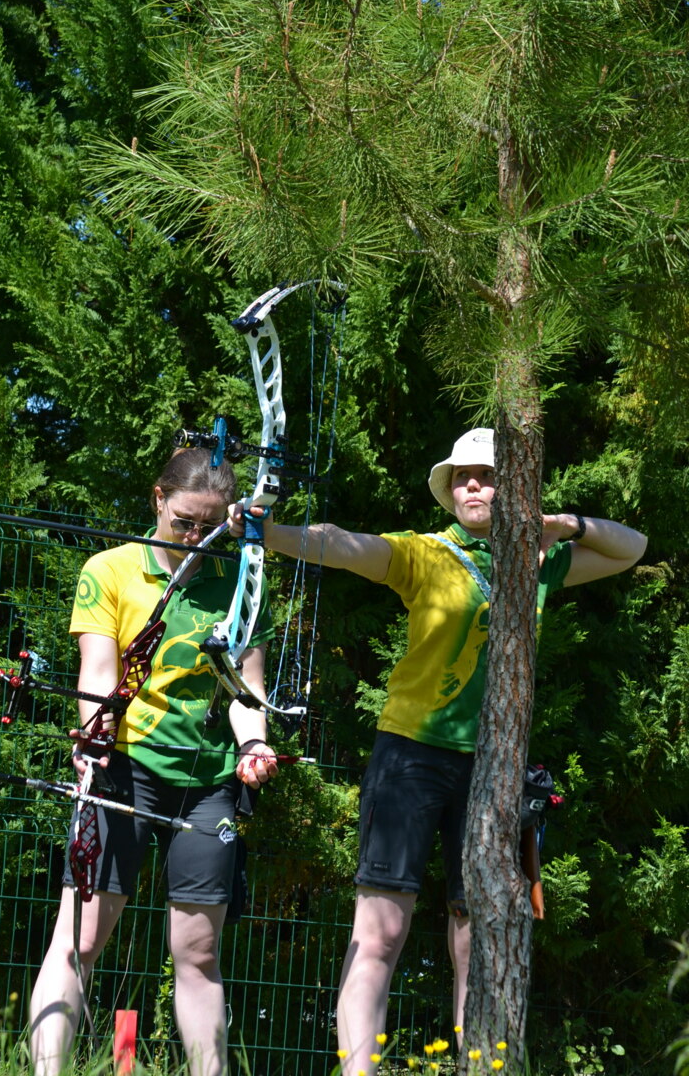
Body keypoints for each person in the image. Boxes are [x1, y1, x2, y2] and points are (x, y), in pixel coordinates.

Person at [228, 427, 647, 1075]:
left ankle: (479, 1067)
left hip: (494, 767)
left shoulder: (538, 563)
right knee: (380, 933)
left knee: (476, 938)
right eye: (462, 477)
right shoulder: (425, 553)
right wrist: (270, 532)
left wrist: (562, 525)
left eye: (488, 475)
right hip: (410, 757)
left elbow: (631, 548)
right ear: (449, 492)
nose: (472, 485)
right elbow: (343, 545)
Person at [30, 448, 278, 1076]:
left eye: (210, 526)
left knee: (198, 952)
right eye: (184, 521)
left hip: (208, 782)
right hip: (123, 768)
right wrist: (97, 730)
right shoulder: (109, 568)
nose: (196, 537)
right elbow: (98, 672)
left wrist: (253, 745)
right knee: (80, 938)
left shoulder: (243, 581)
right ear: (158, 499)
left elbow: (246, 693)